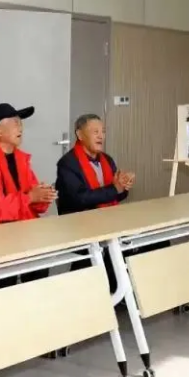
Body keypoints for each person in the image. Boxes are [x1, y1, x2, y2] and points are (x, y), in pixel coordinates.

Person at [0, 103, 57, 289]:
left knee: (40, 271)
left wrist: (43, 196)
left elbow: (33, 200)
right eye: (15, 123)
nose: (20, 127)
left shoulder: (20, 158)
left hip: (23, 231)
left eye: (20, 123)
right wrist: (30, 198)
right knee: (2, 286)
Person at [56, 113, 134, 293]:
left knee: (145, 240)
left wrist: (123, 186)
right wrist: (115, 189)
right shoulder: (68, 164)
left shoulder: (107, 159)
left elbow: (117, 195)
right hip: (78, 223)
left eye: (103, 131)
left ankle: (119, 290)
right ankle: (96, 292)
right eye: (95, 132)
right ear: (80, 134)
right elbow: (80, 198)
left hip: (105, 220)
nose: (101, 136)